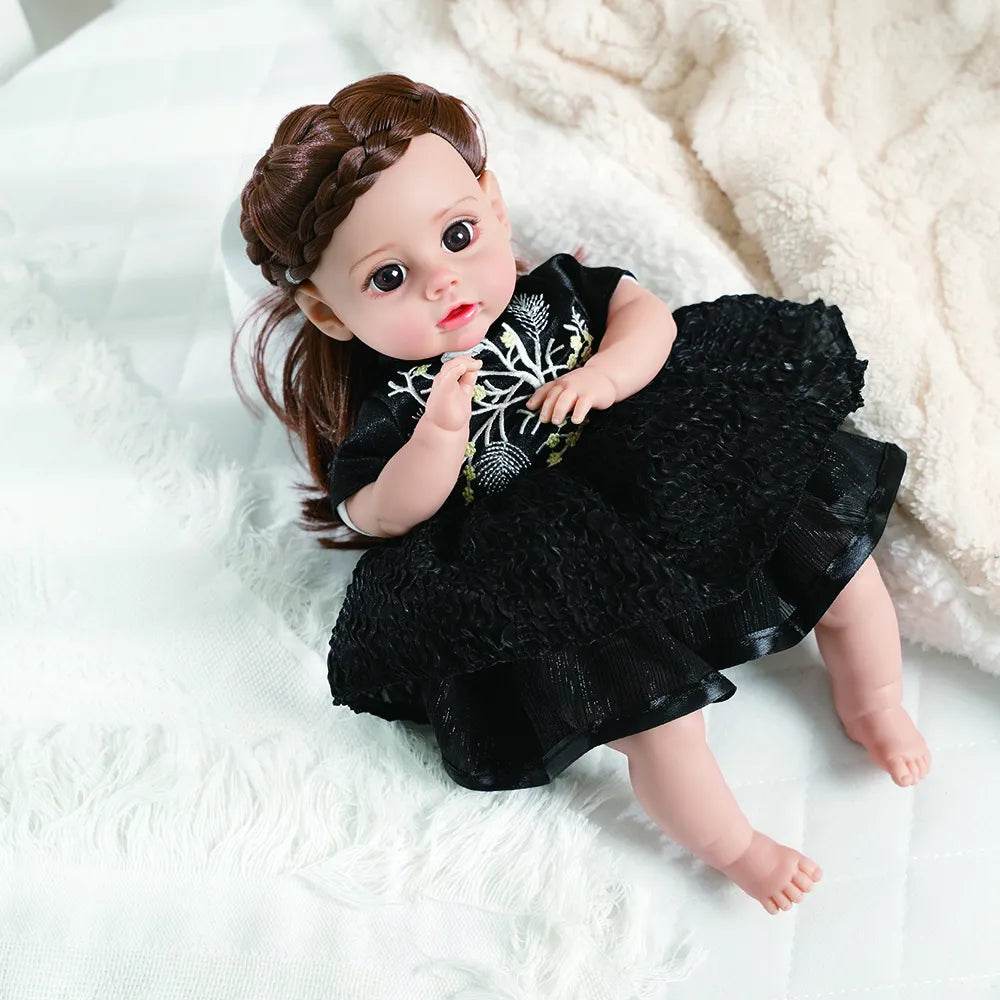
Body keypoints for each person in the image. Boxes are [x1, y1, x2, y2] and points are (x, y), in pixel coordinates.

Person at [233, 72, 931, 916]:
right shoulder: (394, 408)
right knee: (658, 726)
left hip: (661, 473)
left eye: (458, 235)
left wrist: (606, 375)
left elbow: (650, 319)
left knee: (837, 565)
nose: (443, 282)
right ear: (328, 312)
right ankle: (738, 848)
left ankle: (875, 699)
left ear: (493, 207)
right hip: (555, 567)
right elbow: (378, 514)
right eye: (388, 279)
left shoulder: (557, 290)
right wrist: (437, 442)